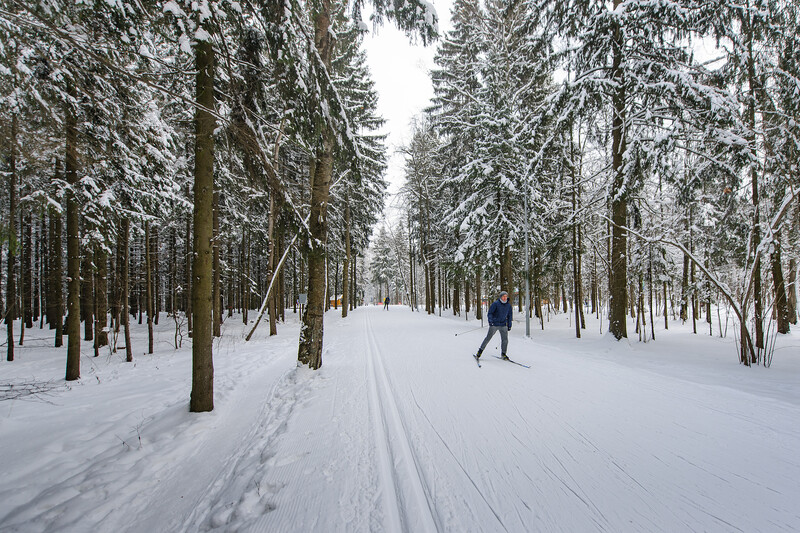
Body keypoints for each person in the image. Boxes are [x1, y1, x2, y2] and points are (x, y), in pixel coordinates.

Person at [476, 291, 512, 360]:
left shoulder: (508, 305)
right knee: (488, 338)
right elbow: (490, 313)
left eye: (506, 296)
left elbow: (510, 315)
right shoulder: (496, 304)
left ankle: (503, 354)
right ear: (500, 297)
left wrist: (509, 325)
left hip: (503, 324)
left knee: (505, 340)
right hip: (494, 324)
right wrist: (491, 322)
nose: (505, 298)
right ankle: (479, 352)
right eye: (503, 296)